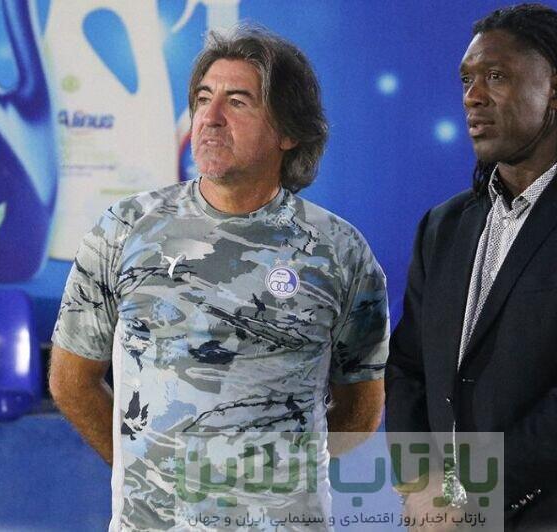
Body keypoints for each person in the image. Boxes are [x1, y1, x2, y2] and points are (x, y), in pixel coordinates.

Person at [49, 25, 389, 530]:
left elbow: (361, 407)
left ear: (288, 132)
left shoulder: (340, 252)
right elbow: (71, 381)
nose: (209, 118)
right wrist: (149, 477)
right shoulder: (123, 229)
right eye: (204, 98)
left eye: (237, 102)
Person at [385, 4, 557, 530]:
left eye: (496, 77)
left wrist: (467, 492)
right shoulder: (442, 226)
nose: (473, 96)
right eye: (467, 79)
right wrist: (420, 483)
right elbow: (407, 366)